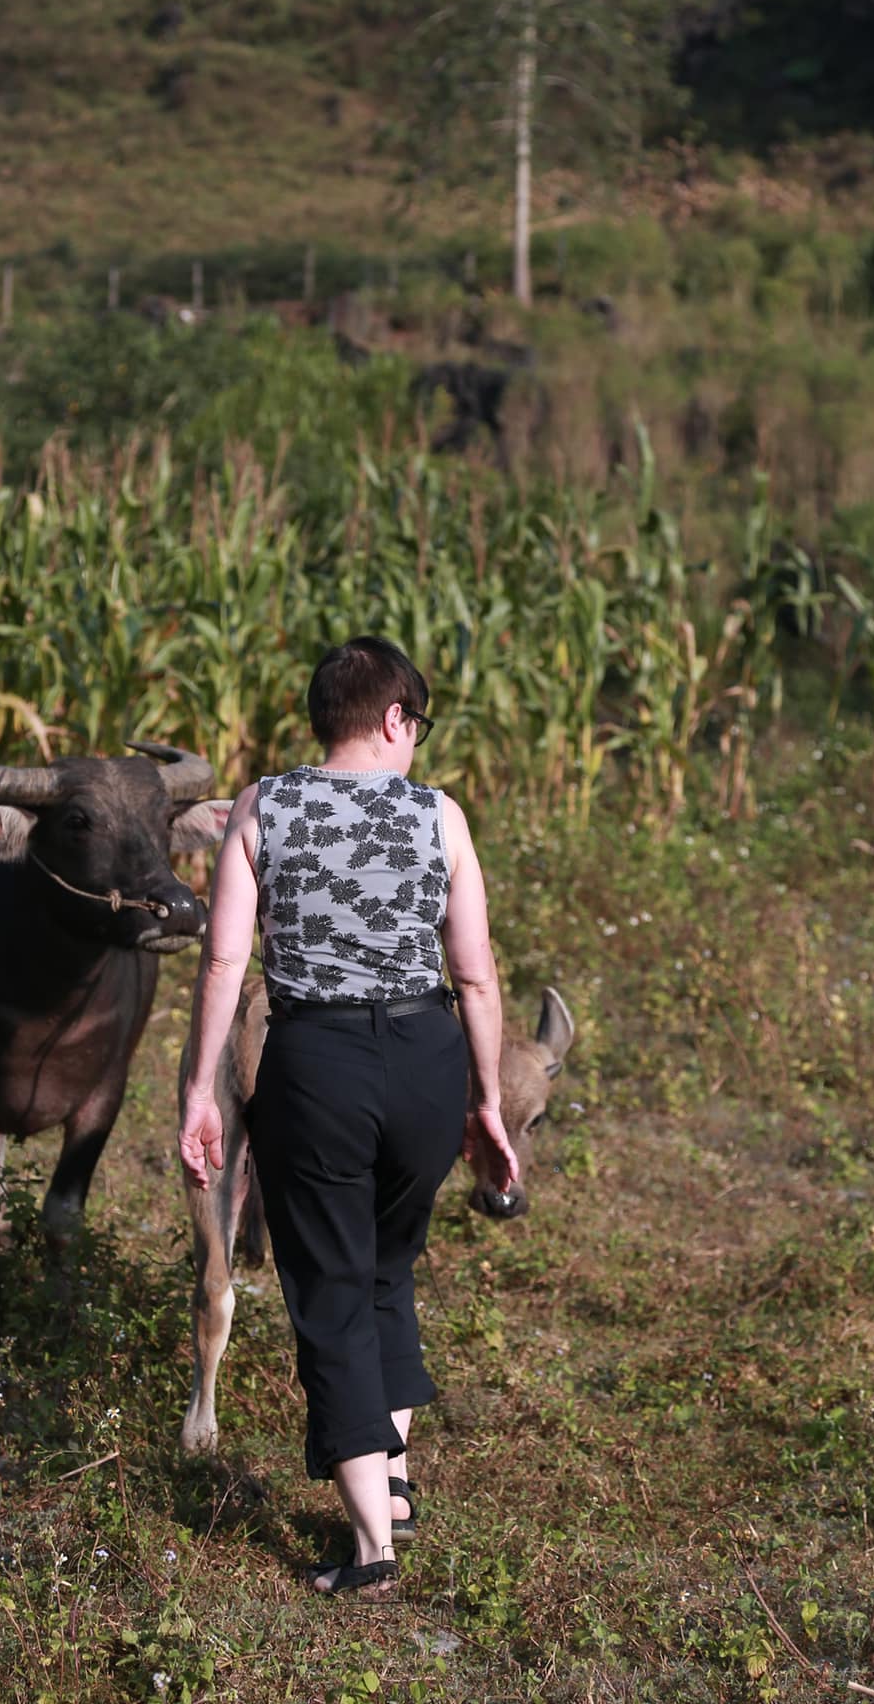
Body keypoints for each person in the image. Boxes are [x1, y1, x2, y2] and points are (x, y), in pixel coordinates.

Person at [178, 635, 519, 1600]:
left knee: (327, 1284)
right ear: (396, 719)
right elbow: (478, 971)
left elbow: (223, 965)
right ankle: (393, 1477)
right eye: (419, 723)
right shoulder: (439, 816)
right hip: (426, 1056)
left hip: (315, 1060)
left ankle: (372, 1548)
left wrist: (204, 1090)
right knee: (384, 1264)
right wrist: (484, 1101)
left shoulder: (263, 806)